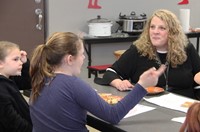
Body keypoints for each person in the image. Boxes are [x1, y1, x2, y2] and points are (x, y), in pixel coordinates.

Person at [29, 32, 166, 132]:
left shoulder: (40, 79)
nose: (83, 58)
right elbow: (113, 115)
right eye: (82, 54)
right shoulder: (74, 85)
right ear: (70, 59)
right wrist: (142, 85)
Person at [98, 9, 200, 99]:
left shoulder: (186, 49)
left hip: (184, 106)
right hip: (149, 106)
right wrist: (119, 83)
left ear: (173, 32)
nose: (155, 32)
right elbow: (110, 73)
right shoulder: (138, 50)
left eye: (162, 28)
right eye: (152, 27)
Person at [0, 41, 32, 132]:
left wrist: (25, 63)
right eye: (15, 59)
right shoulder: (2, 88)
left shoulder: (9, 79)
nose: (20, 62)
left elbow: (26, 83)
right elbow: (13, 123)